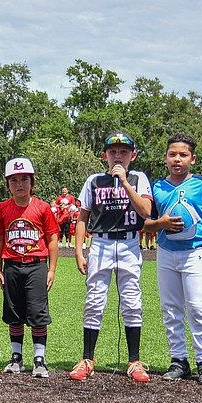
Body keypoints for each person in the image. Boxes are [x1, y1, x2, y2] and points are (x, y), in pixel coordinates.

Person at [70, 132, 153, 383]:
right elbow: (83, 216)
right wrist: (78, 249)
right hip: (101, 243)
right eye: (113, 152)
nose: (118, 156)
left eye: (124, 152)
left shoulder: (138, 178)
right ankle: (87, 358)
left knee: (131, 301)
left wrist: (125, 183)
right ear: (104, 155)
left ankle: (134, 361)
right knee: (94, 300)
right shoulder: (94, 180)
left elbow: (146, 211)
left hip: (129, 243)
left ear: (133, 155)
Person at [144, 132, 202, 384]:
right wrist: (161, 223)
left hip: (197, 251)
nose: (177, 159)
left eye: (183, 155)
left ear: (193, 158)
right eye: (172, 155)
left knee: (198, 307)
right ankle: (179, 360)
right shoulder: (157, 186)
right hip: (167, 252)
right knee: (170, 309)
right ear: (165, 158)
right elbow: (147, 223)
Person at [0, 157, 59, 378]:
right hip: (11, 265)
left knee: (37, 314)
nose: (19, 184)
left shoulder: (42, 208)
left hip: (36, 266)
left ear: (32, 182)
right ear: (7, 184)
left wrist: (51, 270)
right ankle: (16, 358)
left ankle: (39, 360)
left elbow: (52, 239)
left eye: (24, 179)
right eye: (13, 180)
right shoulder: (2, 209)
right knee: (14, 314)